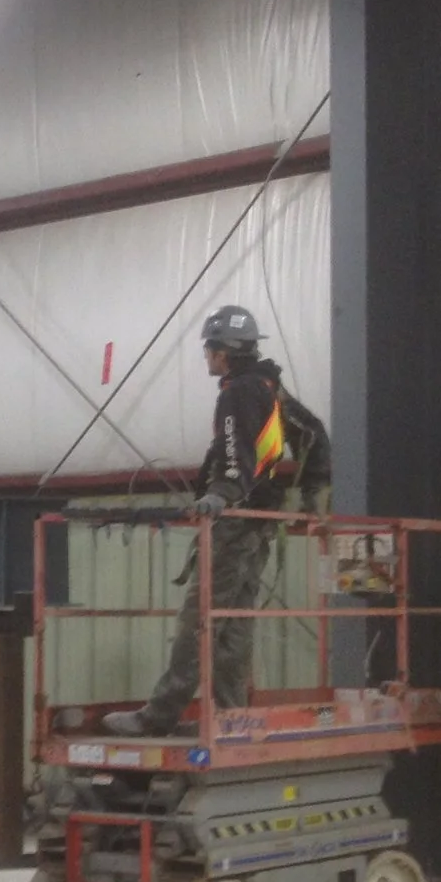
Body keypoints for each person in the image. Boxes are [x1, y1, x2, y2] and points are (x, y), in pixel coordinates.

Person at [103, 306, 331, 736]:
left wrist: (219, 494)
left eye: (209, 349)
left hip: (236, 521)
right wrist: (310, 495)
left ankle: (159, 715)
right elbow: (315, 435)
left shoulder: (238, 393)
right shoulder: (269, 388)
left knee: (200, 617)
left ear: (223, 352)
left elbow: (233, 456)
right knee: (233, 619)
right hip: (260, 521)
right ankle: (231, 716)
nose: (206, 357)